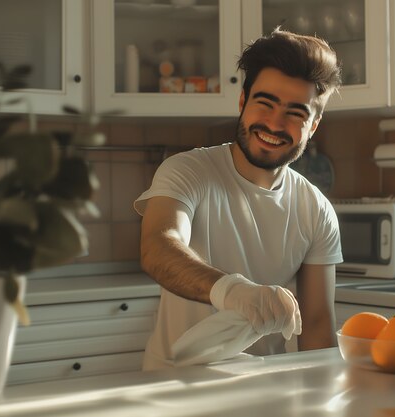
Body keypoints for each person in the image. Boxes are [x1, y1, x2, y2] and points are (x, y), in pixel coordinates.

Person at [134, 28, 343, 370]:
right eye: (266, 103)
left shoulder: (316, 208)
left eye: (296, 113)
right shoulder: (188, 171)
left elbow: (318, 326)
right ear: (243, 102)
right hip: (173, 384)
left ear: (314, 125)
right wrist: (230, 291)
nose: (275, 123)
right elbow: (158, 245)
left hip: (264, 390)